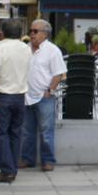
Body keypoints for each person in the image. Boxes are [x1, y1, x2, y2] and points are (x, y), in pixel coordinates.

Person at [0, 20, 32, 183]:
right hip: (20, 96)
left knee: (0, 134)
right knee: (15, 133)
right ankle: (12, 168)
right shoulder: (26, 48)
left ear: (2, 32)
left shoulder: (0, 49)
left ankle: (6, 170)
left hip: (3, 95)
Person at [19, 19, 66, 171]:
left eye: (35, 31)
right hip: (27, 96)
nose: (31, 34)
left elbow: (59, 74)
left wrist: (49, 90)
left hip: (44, 96)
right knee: (27, 131)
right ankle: (27, 159)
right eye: (30, 31)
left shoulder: (52, 50)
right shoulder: (25, 49)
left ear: (45, 34)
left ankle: (48, 160)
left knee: (46, 130)